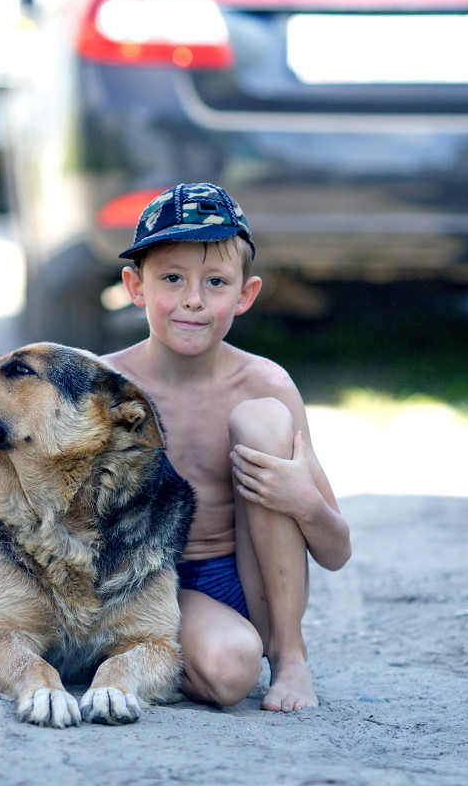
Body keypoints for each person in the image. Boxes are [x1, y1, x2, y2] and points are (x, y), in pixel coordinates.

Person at [103, 183, 352, 713]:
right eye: (172, 278)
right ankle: (146, 652)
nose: (194, 299)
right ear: (135, 285)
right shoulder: (107, 384)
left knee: (262, 421)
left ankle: (290, 655)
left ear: (245, 294)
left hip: (245, 578)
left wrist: (301, 500)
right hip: (148, 583)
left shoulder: (267, 384)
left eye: (215, 282)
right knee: (231, 670)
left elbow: (336, 551)